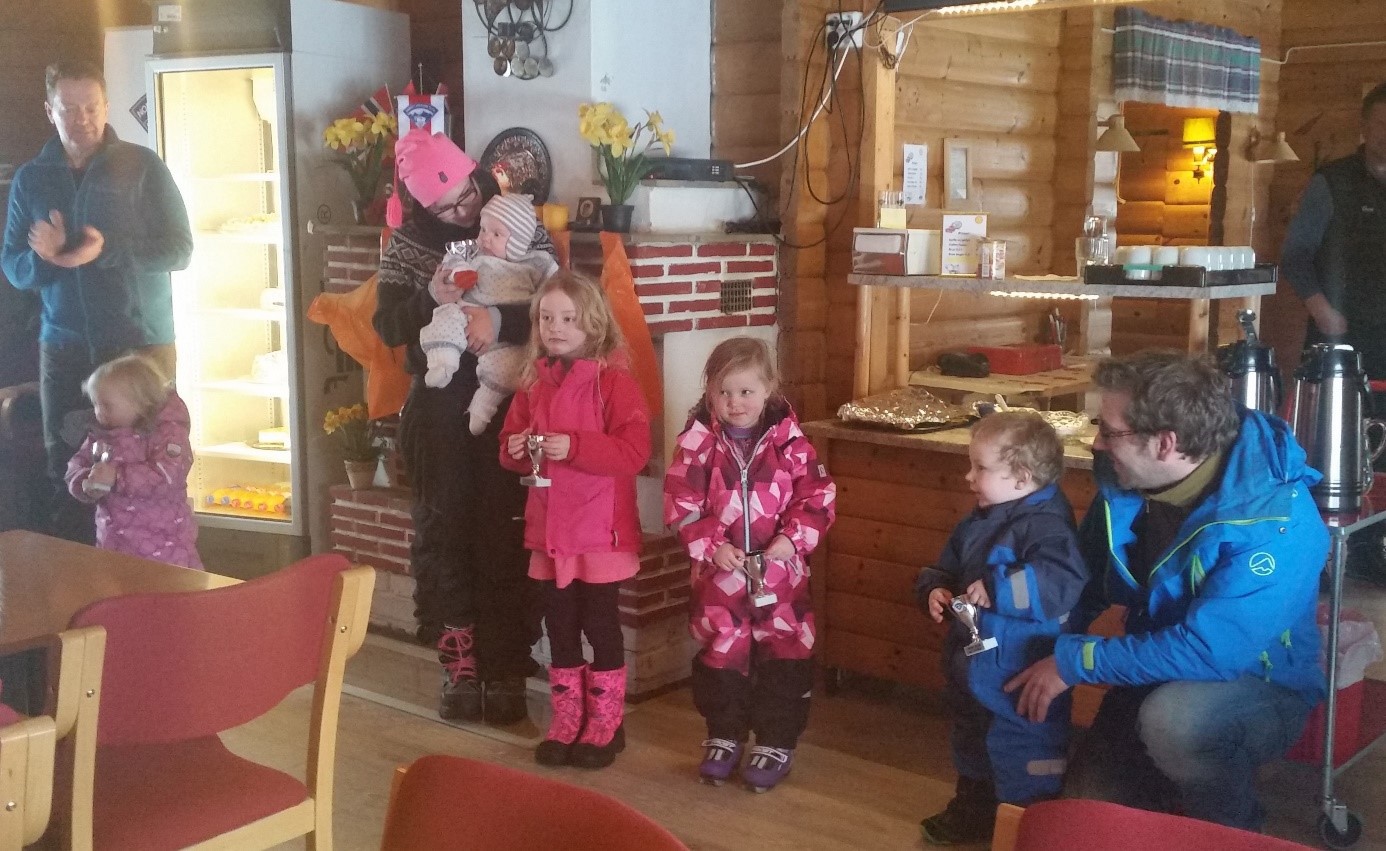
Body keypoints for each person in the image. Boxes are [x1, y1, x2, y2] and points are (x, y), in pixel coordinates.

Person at [1006, 350, 1328, 832]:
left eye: (1109, 431)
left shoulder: (1277, 521)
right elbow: (1083, 580)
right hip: (1154, 666)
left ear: (1165, 443)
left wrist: (1075, 661)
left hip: (1258, 685)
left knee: (1175, 724)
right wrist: (1021, 630)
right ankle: (1168, 794)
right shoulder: (1129, 480)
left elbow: (1210, 651)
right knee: (1085, 823)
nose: (1096, 442)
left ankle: (1232, 833)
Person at [374, 128, 550, 725]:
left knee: (506, 533)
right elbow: (388, 327)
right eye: (446, 209)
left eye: (468, 195)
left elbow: (564, 309)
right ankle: (461, 665)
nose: (464, 212)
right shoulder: (408, 244)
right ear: (423, 207)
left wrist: (497, 320)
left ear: (477, 174)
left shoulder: (517, 219)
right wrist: (431, 297)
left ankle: (507, 666)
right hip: (439, 405)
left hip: (509, 401)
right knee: (445, 530)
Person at [1, 60, 192, 545]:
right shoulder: (31, 178)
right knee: (67, 472)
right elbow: (15, 269)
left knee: (149, 469)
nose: (81, 119)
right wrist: (45, 258)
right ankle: (79, 586)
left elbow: (180, 250)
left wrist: (106, 252)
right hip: (63, 347)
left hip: (139, 347)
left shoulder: (142, 166)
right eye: (68, 109)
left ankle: (155, 578)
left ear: (107, 106)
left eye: (90, 107)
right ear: (49, 111)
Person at [664, 336, 837, 793]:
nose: (735, 402)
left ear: (769, 390)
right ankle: (724, 734)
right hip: (719, 580)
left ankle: (776, 741)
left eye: (746, 391)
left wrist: (791, 539)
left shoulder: (791, 444)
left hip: (781, 580)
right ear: (709, 392)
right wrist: (710, 545)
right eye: (724, 392)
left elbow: (817, 497)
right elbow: (681, 503)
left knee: (786, 654)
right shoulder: (697, 445)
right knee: (720, 656)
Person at [499, 272, 651, 769]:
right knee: (559, 627)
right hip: (550, 535)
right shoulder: (532, 384)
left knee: (601, 625)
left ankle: (606, 723)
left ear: (594, 324)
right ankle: (567, 720)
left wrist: (577, 447)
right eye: (547, 318)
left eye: (568, 318)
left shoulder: (615, 384)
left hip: (600, 535)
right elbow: (510, 448)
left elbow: (634, 452)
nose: (556, 328)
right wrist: (516, 449)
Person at [914, 411, 1087, 846]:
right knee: (971, 741)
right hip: (973, 666)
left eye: (981, 468)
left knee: (1025, 753)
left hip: (1020, 674)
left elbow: (1060, 582)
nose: (968, 476)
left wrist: (999, 588)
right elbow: (947, 566)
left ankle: (1029, 828)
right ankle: (972, 810)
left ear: (1021, 477)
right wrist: (934, 588)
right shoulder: (979, 519)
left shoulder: (1048, 524)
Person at [419, 192, 557, 433]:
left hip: (511, 339)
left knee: (510, 366)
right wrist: (450, 279)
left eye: (496, 234)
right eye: (483, 230)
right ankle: (443, 361)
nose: (485, 238)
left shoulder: (537, 263)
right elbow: (454, 263)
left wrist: (497, 320)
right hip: (465, 315)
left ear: (517, 241)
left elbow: (557, 297)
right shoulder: (474, 254)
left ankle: (483, 405)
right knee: (446, 316)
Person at [1283, 81, 1386, 377]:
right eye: (1382, 124)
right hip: (1340, 333)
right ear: (1364, 126)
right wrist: (1321, 311)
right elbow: (1295, 255)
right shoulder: (1332, 182)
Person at [64, 354, 200, 568]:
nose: (99, 412)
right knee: (117, 583)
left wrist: (117, 477)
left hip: (164, 544)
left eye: (107, 406)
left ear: (141, 403)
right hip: (111, 542)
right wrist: (85, 483)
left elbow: (168, 475)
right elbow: (76, 465)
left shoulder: (169, 435)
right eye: (96, 404)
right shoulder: (99, 436)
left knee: (168, 587)